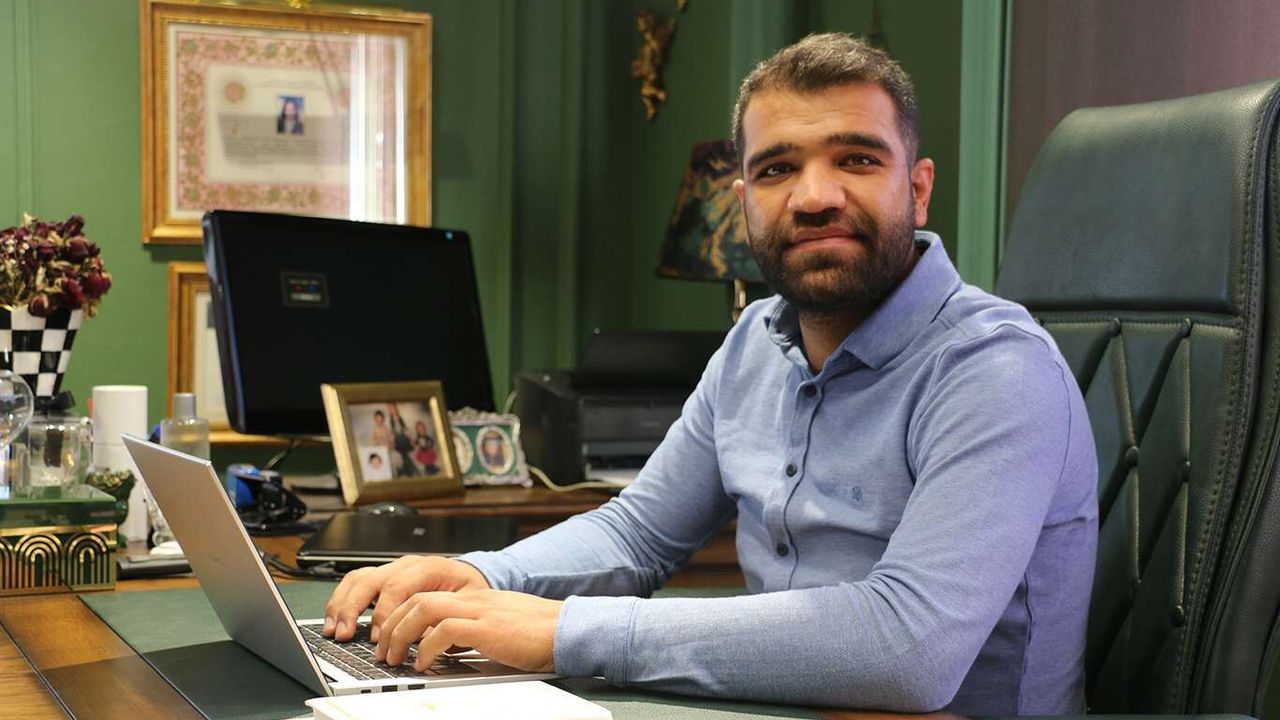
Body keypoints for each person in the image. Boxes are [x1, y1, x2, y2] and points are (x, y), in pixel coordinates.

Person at [324, 33, 1097, 715]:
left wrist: (567, 630)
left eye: (857, 159)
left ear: (918, 189)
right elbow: (637, 533)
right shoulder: (754, 342)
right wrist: (478, 577)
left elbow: (911, 648)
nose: (815, 196)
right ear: (744, 203)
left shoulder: (994, 369)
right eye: (778, 168)